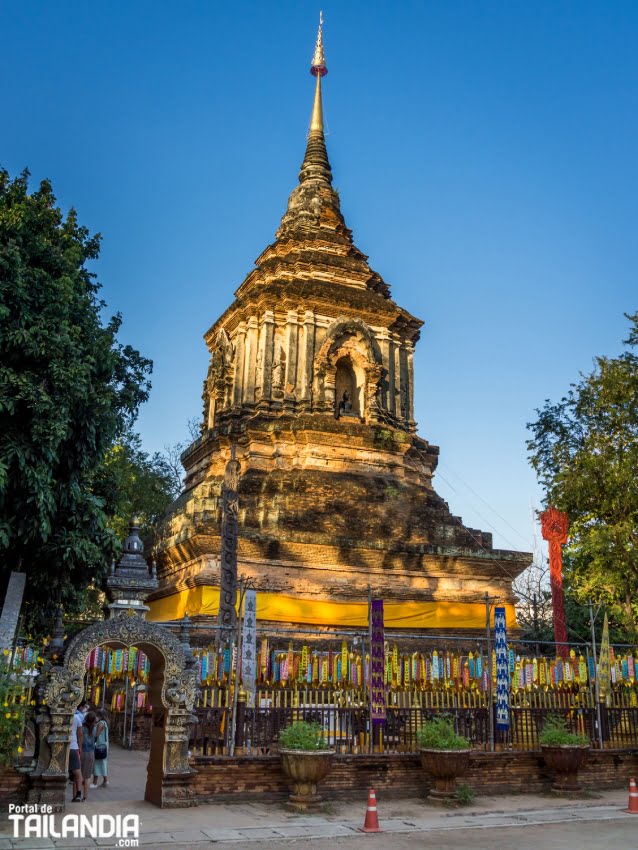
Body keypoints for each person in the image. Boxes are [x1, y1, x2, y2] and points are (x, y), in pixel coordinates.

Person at [69, 701, 87, 802]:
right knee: (77, 771)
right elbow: (80, 734)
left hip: (66, 745)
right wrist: (80, 747)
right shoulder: (76, 718)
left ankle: (77, 793)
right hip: (73, 745)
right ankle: (78, 793)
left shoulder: (71, 717)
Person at [80, 711, 98, 801]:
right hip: (90, 753)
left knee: (80, 775)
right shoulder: (94, 729)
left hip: (81, 751)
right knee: (87, 777)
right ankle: (85, 797)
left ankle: (77, 794)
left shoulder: (82, 728)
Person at [91, 709, 109, 788]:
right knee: (102, 763)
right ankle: (105, 780)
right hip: (104, 745)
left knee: (97, 763)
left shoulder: (100, 724)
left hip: (99, 745)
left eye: (97, 715)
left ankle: (95, 783)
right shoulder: (105, 723)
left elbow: (96, 734)